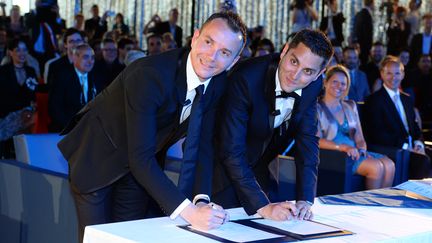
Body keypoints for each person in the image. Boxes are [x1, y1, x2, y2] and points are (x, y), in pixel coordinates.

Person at [57, 12, 247, 242]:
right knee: (100, 238)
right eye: (208, 42)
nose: (212, 56)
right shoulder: (150, 75)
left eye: (225, 52)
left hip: (140, 168)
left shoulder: (217, 83)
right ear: (195, 38)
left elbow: (201, 146)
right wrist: (189, 213)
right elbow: (140, 157)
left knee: (132, 236)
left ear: (234, 61)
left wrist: (201, 200)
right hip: (98, 158)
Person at [212, 29, 333, 221]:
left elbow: (308, 143)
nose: (295, 75)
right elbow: (231, 151)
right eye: (294, 62)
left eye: (308, 71)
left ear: (319, 74)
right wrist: (262, 206)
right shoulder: (246, 78)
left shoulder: (313, 87)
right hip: (218, 168)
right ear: (284, 51)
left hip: (258, 166)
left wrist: (305, 200)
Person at [317, 65, 395, 189]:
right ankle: (369, 207)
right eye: (335, 82)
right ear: (325, 83)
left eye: (343, 83)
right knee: (376, 167)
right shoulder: (317, 108)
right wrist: (343, 147)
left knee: (389, 165)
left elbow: (359, 137)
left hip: (355, 152)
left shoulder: (350, 106)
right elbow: (317, 141)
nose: (339, 86)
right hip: (335, 155)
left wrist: (362, 150)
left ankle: (380, 205)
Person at [363, 55, 431, 179]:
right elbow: (377, 134)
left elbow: (415, 128)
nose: (393, 77)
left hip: (413, 149)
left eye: (397, 73)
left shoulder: (407, 99)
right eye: (389, 73)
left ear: (403, 75)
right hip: (394, 150)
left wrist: (418, 144)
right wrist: (406, 146)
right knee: (423, 160)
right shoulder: (374, 100)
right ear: (382, 74)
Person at [48, 44, 103, 132]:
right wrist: (73, 128)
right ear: (74, 58)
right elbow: (55, 108)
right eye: (85, 57)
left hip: (92, 128)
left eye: (92, 58)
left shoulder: (97, 76)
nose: (90, 61)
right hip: (66, 129)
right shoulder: (61, 77)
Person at [352, 0, 374, 66]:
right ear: (372, 3)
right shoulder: (366, 14)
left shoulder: (359, 13)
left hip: (360, 45)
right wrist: (369, 47)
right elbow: (366, 33)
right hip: (364, 46)